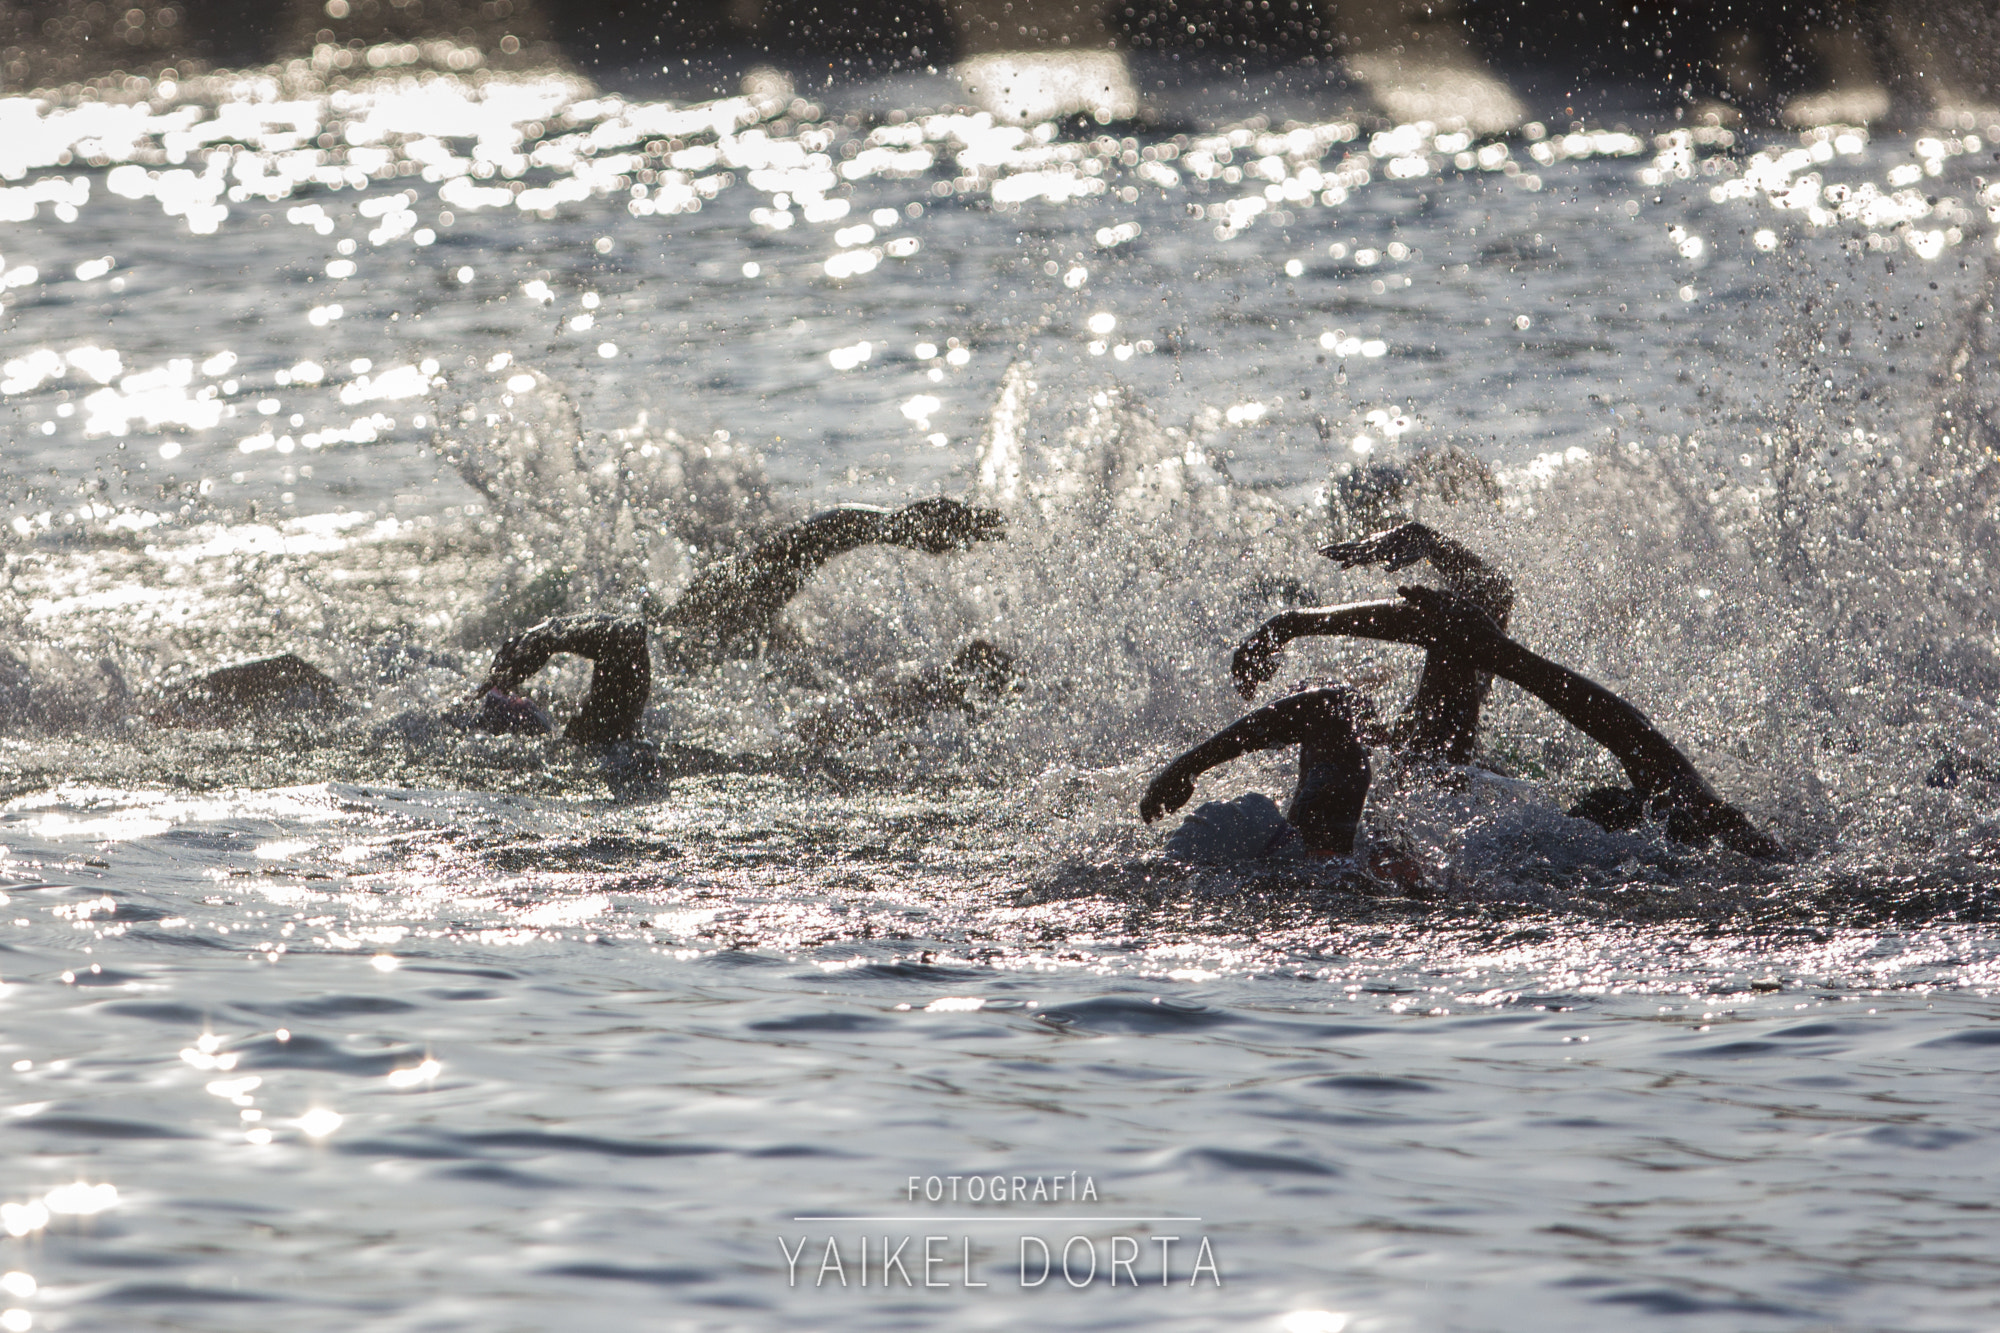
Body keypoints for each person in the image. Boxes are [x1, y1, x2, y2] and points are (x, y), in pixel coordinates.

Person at [1142, 522, 1782, 861]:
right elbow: (1605, 719)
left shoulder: (1380, 795)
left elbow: (1328, 705)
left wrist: (1189, 763)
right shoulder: (1708, 824)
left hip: (1425, 834)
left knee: (1399, 735)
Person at [462, 496, 1006, 743]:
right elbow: (625, 636)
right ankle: (959, 685)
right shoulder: (594, 737)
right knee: (823, 730)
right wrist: (545, 637)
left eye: (510, 695)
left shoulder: (583, 735)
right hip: (720, 677)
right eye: (514, 705)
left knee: (792, 554)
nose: (520, 699)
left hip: (694, 641)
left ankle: (898, 525)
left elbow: (633, 634)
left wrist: (537, 644)